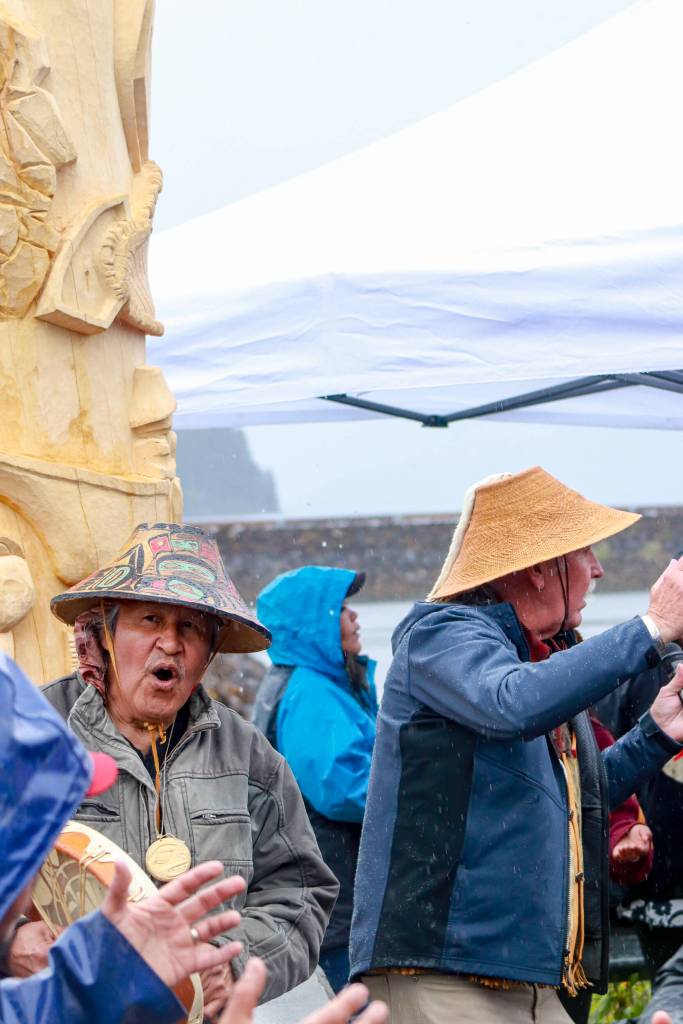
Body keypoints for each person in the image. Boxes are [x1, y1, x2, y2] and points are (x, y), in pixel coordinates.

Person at [349, 466, 683, 1024]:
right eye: (585, 554)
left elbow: (583, 796)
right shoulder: (441, 635)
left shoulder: (532, 660)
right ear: (536, 569)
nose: (598, 569)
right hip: (443, 972)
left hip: (522, 975)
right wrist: (651, 626)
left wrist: (657, 732)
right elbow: (512, 703)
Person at [29, 523, 338, 1012]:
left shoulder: (247, 754)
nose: (170, 644)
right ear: (107, 631)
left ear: (209, 651)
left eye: (190, 627)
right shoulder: (31, 734)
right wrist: (12, 945)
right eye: (150, 620)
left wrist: (230, 965)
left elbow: (300, 894)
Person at [0, 647, 249, 1023]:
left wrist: (115, 977)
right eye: (40, 830)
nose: (51, 861)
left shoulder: (241, 742)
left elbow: (29, 1011)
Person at [253, 566, 377, 992]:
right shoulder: (312, 693)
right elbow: (345, 789)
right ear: (315, 621)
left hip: (319, 891)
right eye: (342, 609)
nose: (354, 618)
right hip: (337, 895)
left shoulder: (304, 682)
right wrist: (420, 792)